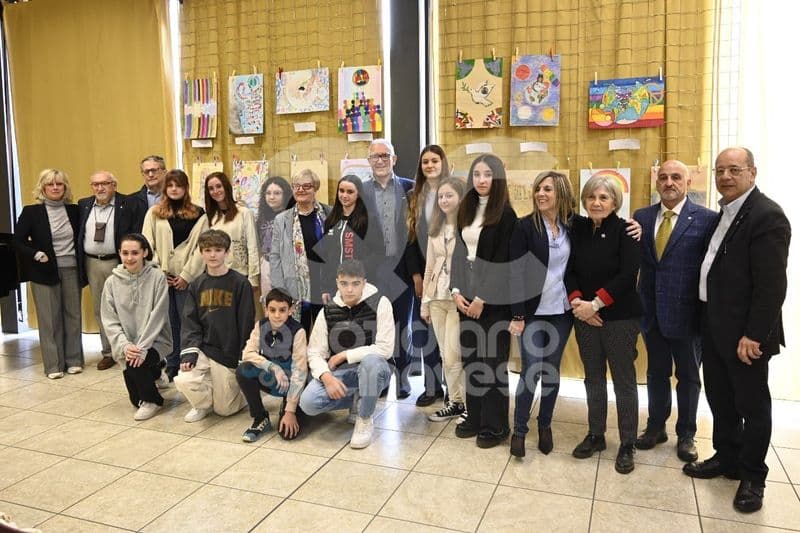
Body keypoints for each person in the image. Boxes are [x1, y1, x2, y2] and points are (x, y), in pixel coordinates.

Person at [684, 147, 791, 513]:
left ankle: (753, 476)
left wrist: (755, 334)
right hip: (714, 326)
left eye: (734, 169)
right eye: (720, 170)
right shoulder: (726, 212)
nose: (725, 176)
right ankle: (727, 457)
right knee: (721, 399)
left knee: (752, 405)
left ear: (752, 173)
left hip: (746, 335)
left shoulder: (767, 215)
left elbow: (772, 285)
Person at [633, 160, 717, 462]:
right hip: (651, 313)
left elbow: (711, 269)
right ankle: (656, 427)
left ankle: (687, 434)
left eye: (676, 177)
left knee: (689, 377)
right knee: (656, 373)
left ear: (688, 182)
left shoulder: (707, 219)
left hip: (688, 316)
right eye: (664, 177)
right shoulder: (641, 217)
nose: (669, 182)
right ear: (657, 182)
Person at [566, 175, 641, 474]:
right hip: (585, 318)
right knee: (593, 378)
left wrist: (594, 304)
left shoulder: (627, 230)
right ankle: (596, 434)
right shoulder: (579, 228)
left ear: (614, 201)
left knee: (623, 381)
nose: (596, 203)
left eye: (604, 197)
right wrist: (578, 305)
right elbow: (569, 270)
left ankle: (628, 442)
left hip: (619, 318)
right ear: (584, 200)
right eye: (591, 197)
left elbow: (628, 275)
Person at [450, 154, 517, 448]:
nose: (481, 180)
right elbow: (457, 253)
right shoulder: (465, 210)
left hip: (494, 299)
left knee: (492, 362)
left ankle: (496, 426)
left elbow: (503, 260)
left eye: (488, 174)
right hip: (465, 294)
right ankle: (475, 418)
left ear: (498, 177)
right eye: (476, 174)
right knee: (472, 360)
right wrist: (455, 291)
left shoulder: (506, 214)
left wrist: (482, 298)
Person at [508, 171, 577, 457]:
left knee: (552, 371)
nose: (540, 194)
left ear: (561, 193)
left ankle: (545, 424)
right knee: (531, 370)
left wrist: (634, 226)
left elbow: (606, 225)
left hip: (562, 312)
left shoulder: (572, 225)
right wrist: (517, 315)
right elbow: (514, 273)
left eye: (548, 189)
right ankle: (519, 430)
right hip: (532, 312)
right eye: (538, 189)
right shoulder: (524, 227)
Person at [299, 259, 394, 449]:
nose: (349, 289)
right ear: (337, 283)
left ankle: (364, 418)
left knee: (371, 363)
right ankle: (358, 399)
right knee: (308, 403)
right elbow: (315, 352)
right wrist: (326, 377)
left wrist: (344, 355)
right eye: (344, 284)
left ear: (364, 283)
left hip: (375, 371)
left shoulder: (380, 303)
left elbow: (385, 348)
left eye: (355, 284)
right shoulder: (327, 311)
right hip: (343, 374)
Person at [173, 229, 255, 422]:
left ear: (227, 252)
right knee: (184, 379)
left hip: (228, 352)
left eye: (218, 250)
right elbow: (190, 322)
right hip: (204, 348)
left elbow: (246, 322)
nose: (212, 255)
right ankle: (201, 405)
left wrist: (243, 356)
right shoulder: (196, 285)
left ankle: (238, 393)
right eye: (207, 250)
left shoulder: (240, 283)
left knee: (225, 410)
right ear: (201, 253)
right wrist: (190, 353)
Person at [13, 169, 84, 379]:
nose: (55, 188)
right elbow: (17, 241)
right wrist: (36, 253)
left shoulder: (75, 210)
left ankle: (74, 361)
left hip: (72, 269)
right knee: (49, 320)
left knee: (73, 316)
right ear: (42, 188)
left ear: (65, 187)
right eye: (50, 184)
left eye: (59, 184)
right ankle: (54, 365)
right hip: (43, 272)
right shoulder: (31, 212)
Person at [141, 169, 208, 381]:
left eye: (178, 185)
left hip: (187, 279)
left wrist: (187, 275)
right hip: (161, 278)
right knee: (167, 323)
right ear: (165, 188)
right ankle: (171, 363)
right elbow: (146, 244)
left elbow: (202, 248)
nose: (174, 189)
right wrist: (159, 272)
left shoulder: (199, 214)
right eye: (170, 185)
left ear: (186, 188)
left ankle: (187, 361)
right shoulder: (154, 213)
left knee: (188, 322)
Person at [77, 170, 147, 371]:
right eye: (95, 184)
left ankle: (131, 349)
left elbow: (136, 233)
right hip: (92, 263)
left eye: (105, 183)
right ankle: (108, 352)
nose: (100, 188)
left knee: (127, 307)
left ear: (114, 186)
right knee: (101, 308)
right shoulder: (84, 205)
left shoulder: (129, 203)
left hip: (120, 263)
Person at [361, 139, 415, 398]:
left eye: (385, 155)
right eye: (375, 156)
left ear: (394, 159)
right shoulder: (360, 191)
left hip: (402, 267)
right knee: (375, 325)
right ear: (369, 161)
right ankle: (381, 380)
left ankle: (403, 378)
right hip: (372, 270)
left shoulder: (410, 188)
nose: (380, 160)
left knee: (403, 324)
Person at [100, 233, 172, 420]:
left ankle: (153, 401)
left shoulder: (157, 277)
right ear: (119, 253)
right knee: (135, 400)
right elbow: (110, 320)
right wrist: (125, 346)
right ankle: (155, 372)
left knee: (135, 366)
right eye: (125, 253)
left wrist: (142, 348)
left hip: (155, 341)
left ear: (144, 253)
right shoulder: (111, 282)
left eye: (135, 253)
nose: (130, 258)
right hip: (128, 346)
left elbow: (158, 316)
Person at [421, 177, 467, 422]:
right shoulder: (435, 227)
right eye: (440, 196)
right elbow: (429, 266)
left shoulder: (468, 227)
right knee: (444, 355)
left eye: (449, 195)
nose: (444, 200)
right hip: (436, 297)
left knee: (454, 355)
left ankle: (467, 404)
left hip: (457, 298)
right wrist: (425, 302)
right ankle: (455, 402)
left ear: (460, 197)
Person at [236, 288, 308, 442]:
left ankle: (288, 406)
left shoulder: (298, 331)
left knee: (287, 434)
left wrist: (290, 410)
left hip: (293, 384)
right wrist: (273, 367)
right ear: (266, 309)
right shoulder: (260, 325)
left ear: (291, 310)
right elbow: (247, 353)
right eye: (272, 310)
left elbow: (300, 372)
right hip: (274, 379)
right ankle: (260, 418)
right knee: (243, 370)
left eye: (282, 310)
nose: (277, 315)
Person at [405, 145, 448, 406]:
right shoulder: (413, 196)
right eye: (425, 162)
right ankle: (432, 388)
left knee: (448, 334)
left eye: (434, 161)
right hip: (423, 273)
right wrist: (416, 275)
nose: (430, 165)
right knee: (423, 332)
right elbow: (409, 239)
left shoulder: (455, 191)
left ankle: (452, 387)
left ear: (443, 163)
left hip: (449, 275)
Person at [269, 169, 331, 335]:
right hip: (294, 286)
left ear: (315, 188)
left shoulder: (329, 214)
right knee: (297, 334)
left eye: (306, 186)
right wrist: (279, 288)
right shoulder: (282, 220)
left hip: (323, 283)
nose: (301, 190)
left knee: (324, 332)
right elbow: (275, 256)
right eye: (296, 186)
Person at [318, 175, 385, 299]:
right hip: (334, 286)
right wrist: (325, 288)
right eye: (341, 191)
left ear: (358, 194)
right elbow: (326, 256)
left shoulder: (369, 220)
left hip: (360, 284)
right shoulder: (331, 220)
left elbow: (379, 253)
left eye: (350, 192)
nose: (344, 195)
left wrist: (357, 270)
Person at [204, 171, 260, 288]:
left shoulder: (244, 213)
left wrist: (253, 279)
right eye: (211, 188)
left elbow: (253, 247)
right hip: (215, 276)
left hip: (240, 275)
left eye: (219, 186)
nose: (215, 191)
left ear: (226, 186)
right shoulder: (209, 217)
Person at [256, 176, 292, 294]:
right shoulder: (261, 217)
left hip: (286, 267)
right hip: (266, 264)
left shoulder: (292, 216)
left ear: (285, 195)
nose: (272, 197)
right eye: (268, 193)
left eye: (277, 193)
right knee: (268, 299)